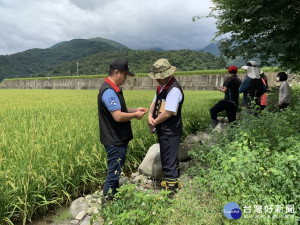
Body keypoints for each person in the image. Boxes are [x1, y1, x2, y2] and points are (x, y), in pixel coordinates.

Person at [97, 59, 148, 201]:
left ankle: (114, 199)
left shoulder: (112, 89)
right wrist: (135, 115)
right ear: (116, 73)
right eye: (125, 75)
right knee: (113, 174)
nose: (126, 79)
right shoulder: (109, 92)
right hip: (114, 140)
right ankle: (107, 205)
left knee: (116, 171)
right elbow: (118, 116)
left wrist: (135, 109)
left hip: (116, 138)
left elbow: (120, 110)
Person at [147, 58, 184, 194]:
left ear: (167, 75)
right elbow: (154, 103)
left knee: (168, 159)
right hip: (163, 129)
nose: (156, 80)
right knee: (167, 156)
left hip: (171, 130)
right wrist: (150, 117)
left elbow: (168, 112)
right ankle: (172, 181)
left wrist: (154, 122)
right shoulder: (162, 87)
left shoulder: (174, 90)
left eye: (159, 77)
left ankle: (171, 191)